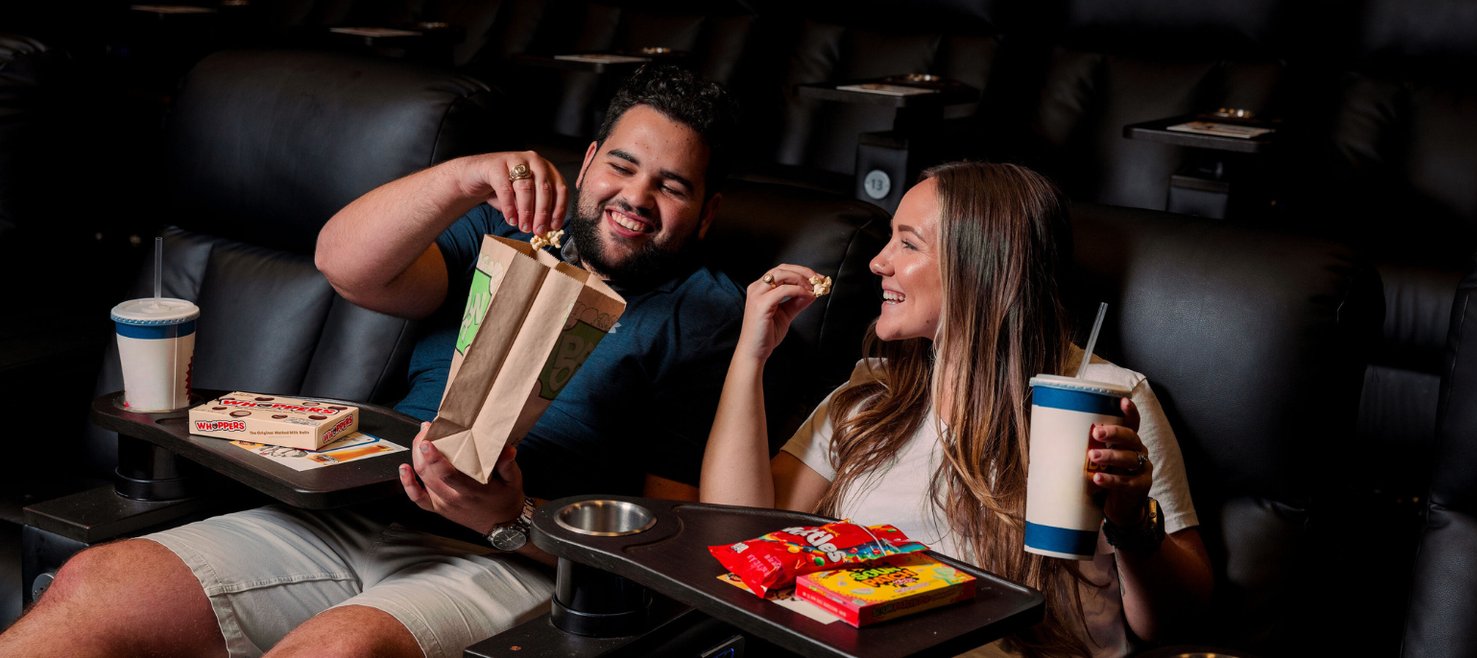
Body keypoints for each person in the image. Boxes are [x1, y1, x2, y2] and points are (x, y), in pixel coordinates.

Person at [1, 65, 742, 658]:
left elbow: (666, 549)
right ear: (586, 163)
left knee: (338, 647)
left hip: (505, 556)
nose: (635, 197)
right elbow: (344, 263)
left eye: (671, 187)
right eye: (622, 166)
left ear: (706, 213)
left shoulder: (704, 315)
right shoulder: (503, 231)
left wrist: (513, 518)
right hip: (349, 506)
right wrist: (461, 178)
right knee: (92, 583)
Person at [699, 162, 1213, 657]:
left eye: (907, 243)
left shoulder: (1109, 399)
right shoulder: (874, 390)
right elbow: (738, 533)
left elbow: (1174, 624)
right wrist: (752, 355)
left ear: (982, 267)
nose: (878, 261)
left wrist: (1130, 522)